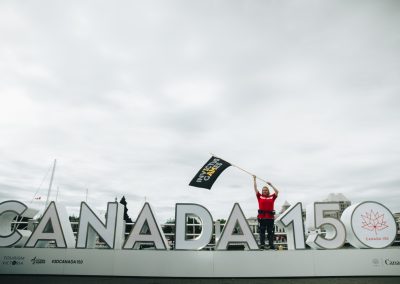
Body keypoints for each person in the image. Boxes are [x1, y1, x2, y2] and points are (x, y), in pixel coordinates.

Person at [253, 175, 279, 250]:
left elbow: (277, 192)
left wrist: (271, 185)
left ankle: (271, 245)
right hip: (262, 217)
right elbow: (255, 188)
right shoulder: (259, 196)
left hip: (270, 218)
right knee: (262, 232)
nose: (264, 191)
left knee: (270, 232)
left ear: (268, 191)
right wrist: (254, 179)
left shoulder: (272, 197)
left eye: (266, 190)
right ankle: (262, 245)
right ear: (262, 191)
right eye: (263, 190)